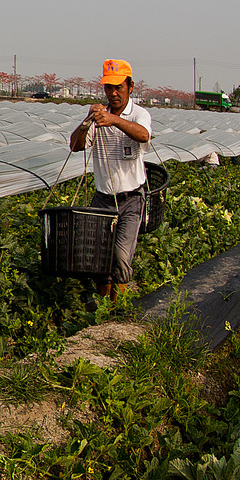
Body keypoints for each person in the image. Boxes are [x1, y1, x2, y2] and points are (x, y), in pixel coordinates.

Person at [69, 58, 153, 306]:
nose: (114, 93)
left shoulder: (138, 114)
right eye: (109, 88)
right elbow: (75, 146)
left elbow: (143, 135)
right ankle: (103, 308)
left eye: (119, 87)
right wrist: (87, 121)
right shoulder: (99, 117)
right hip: (103, 198)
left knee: (120, 255)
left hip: (131, 199)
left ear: (130, 87)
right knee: (100, 257)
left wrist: (114, 120)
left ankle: (119, 307)